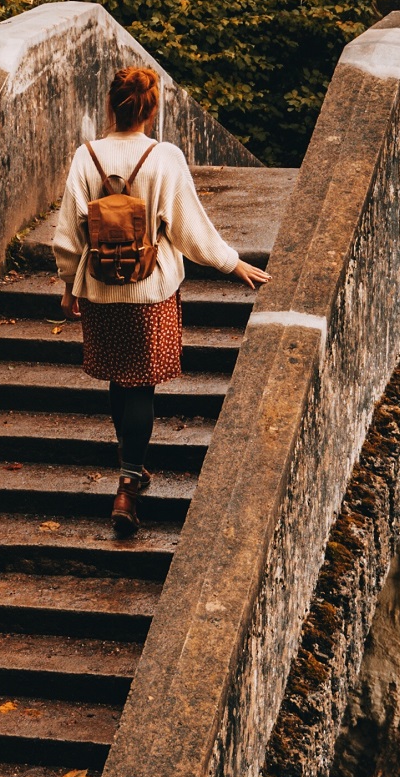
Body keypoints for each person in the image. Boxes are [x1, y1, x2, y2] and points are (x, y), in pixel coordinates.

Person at [52, 64, 269, 537]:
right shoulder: (163, 156)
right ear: (151, 110)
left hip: (100, 291)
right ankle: (129, 481)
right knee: (141, 385)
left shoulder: (84, 157)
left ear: (111, 105)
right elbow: (189, 227)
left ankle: (131, 467)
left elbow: (68, 235)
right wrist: (231, 262)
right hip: (149, 291)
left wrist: (70, 285)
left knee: (117, 376)